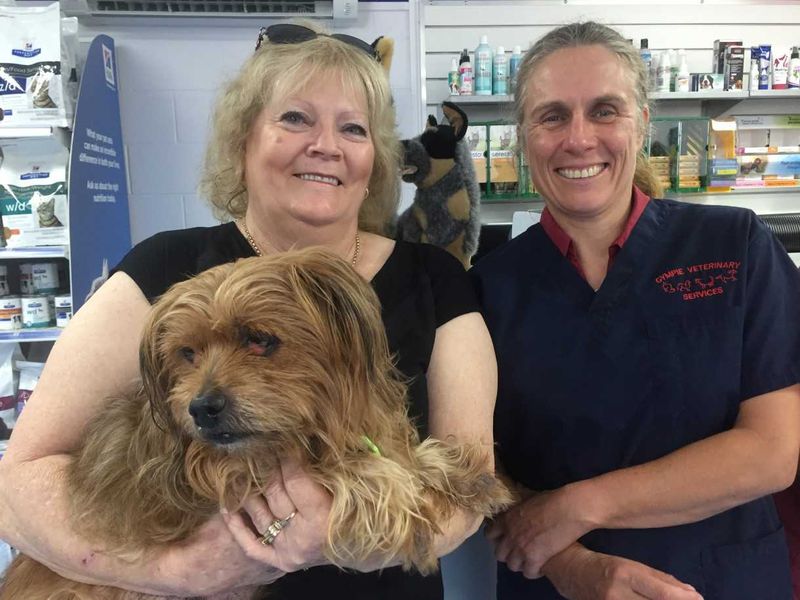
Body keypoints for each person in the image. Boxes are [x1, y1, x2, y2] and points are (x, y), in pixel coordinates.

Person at [0, 23, 498, 599]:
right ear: (243, 142)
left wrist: (352, 537)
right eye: (296, 118)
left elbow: (470, 484)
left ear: (377, 164)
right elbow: (14, 488)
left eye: (353, 128)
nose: (326, 145)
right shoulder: (163, 269)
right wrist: (179, 571)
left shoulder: (434, 277)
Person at [470, 21, 800, 600]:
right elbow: (475, 472)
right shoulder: (484, 290)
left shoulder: (736, 246)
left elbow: (773, 451)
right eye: (552, 116)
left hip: (722, 579)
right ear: (523, 137)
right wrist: (574, 565)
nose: (579, 139)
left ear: (642, 124)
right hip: (554, 583)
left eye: (604, 111)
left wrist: (580, 505)